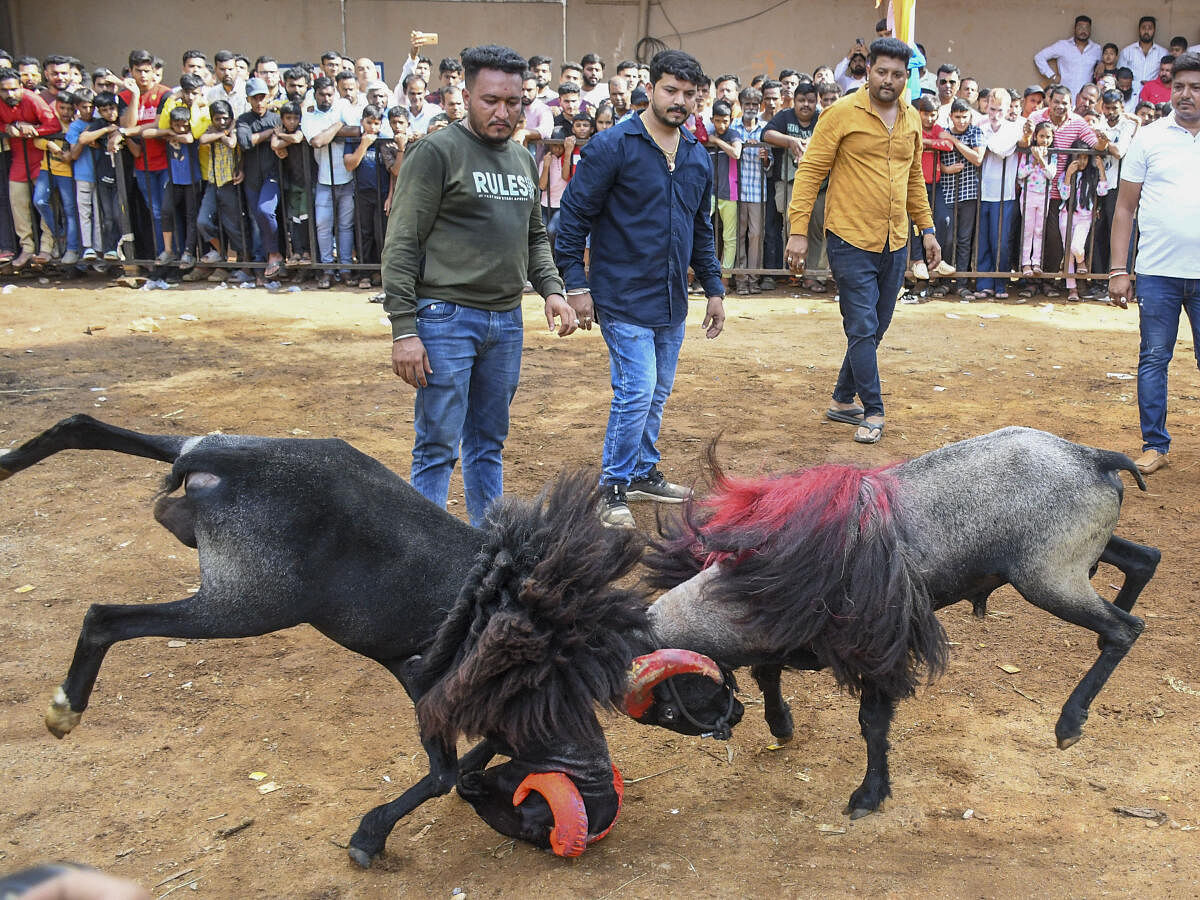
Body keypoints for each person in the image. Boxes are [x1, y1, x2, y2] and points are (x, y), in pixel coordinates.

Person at [383, 44, 575, 527]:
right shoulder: (436, 152)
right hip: (446, 318)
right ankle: (423, 557)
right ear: (465, 95)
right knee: (436, 446)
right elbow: (402, 242)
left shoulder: (521, 159)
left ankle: (488, 548)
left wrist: (552, 289)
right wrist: (404, 330)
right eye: (490, 100)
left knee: (488, 444)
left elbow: (533, 236)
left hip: (506, 322)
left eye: (513, 102)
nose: (503, 112)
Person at [555, 48, 726, 528]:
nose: (680, 101)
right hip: (621, 294)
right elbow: (573, 218)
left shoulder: (695, 156)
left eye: (689, 95)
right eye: (671, 90)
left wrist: (713, 288)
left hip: (672, 299)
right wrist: (575, 283)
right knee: (637, 388)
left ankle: (645, 472)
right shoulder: (613, 146)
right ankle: (613, 486)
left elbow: (701, 230)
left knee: (656, 391)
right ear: (649, 89)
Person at [786, 37, 940, 445]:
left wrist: (927, 229)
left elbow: (912, 180)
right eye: (881, 72)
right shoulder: (839, 114)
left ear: (906, 77)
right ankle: (873, 408)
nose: (888, 80)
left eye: (896, 74)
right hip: (849, 238)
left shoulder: (911, 118)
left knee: (876, 327)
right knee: (861, 325)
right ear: (867, 70)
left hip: (895, 240)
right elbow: (810, 173)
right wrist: (798, 231)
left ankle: (841, 400)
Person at [1107, 52, 1200, 476]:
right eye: (1179, 86)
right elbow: (1125, 209)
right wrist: (1117, 270)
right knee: (1154, 357)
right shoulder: (1149, 138)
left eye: (1196, 87)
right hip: (1158, 273)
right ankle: (1154, 445)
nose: (1186, 94)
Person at [0, 66, 59, 267]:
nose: (10, 94)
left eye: (14, 89)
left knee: (43, 203)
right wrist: (6, 127)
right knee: (18, 204)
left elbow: (53, 125)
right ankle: (27, 248)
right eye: (5, 90)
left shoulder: (31, 99)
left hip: (40, 158)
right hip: (19, 159)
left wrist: (32, 129)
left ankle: (47, 248)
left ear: (20, 87)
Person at [236, 77, 283, 279]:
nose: (259, 102)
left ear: (268, 96)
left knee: (266, 211)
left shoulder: (276, 118)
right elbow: (246, 142)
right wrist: (269, 133)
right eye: (254, 98)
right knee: (256, 222)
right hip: (252, 178)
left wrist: (265, 135)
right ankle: (258, 268)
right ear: (248, 99)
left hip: (273, 176)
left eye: (262, 97)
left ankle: (275, 254)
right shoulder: (244, 120)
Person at [1056, 139, 1108, 301]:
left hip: (1085, 217)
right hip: (1067, 214)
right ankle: (1072, 288)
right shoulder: (1066, 174)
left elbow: (1102, 191)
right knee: (1068, 252)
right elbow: (1064, 196)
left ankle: (1082, 262)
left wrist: (1100, 169)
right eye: (1079, 157)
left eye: (1086, 158)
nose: (1083, 162)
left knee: (1077, 247)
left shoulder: (1091, 175)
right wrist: (1068, 176)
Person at [729, 86, 768, 294]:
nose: (751, 108)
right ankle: (741, 278)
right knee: (739, 234)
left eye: (754, 104)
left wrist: (765, 157)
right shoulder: (732, 127)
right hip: (736, 189)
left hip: (757, 191)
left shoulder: (765, 128)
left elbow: (770, 164)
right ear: (741, 105)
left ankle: (754, 277)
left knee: (756, 235)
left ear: (759, 106)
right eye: (747, 104)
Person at [1017, 120, 1057, 277]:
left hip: (1044, 197)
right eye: (1041, 136)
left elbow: (1051, 174)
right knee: (1028, 230)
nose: (1044, 140)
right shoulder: (1028, 154)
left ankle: (1036, 262)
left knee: (1039, 230)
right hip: (1028, 196)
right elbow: (1020, 174)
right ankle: (1025, 263)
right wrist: (1034, 160)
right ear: (1035, 136)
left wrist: (1041, 159)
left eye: (1048, 137)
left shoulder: (1052, 156)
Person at [1034, 14, 1103, 100]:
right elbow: (1039, 57)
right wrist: (1052, 76)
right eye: (1080, 27)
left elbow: (1103, 67)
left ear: (1090, 30)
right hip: (1065, 96)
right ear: (1074, 29)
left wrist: (1102, 63)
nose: (1083, 31)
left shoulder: (1096, 49)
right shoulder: (1062, 45)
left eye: (1087, 28)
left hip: (1086, 99)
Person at [1118, 16, 1168, 94]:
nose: (1146, 31)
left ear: (1154, 30)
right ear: (1139, 30)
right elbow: (1120, 75)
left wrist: (1151, 84)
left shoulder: (1163, 53)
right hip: (1130, 94)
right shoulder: (1127, 51)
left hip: (1154, 94)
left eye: (1150, 28)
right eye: (1143, 28)